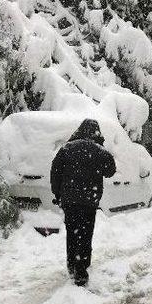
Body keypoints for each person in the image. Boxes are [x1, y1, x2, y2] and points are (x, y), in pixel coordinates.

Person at [50, 119, 116, 286]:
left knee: (72, 232)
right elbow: (110, 171)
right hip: (89, 201)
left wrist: (58, 194)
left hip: (70, 201)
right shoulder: (99, 151)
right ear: (96, 133)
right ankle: (81, 268)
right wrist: (100, 151)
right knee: (86, 233)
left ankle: (72, 263)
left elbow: (55, 173)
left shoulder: (66, 149)